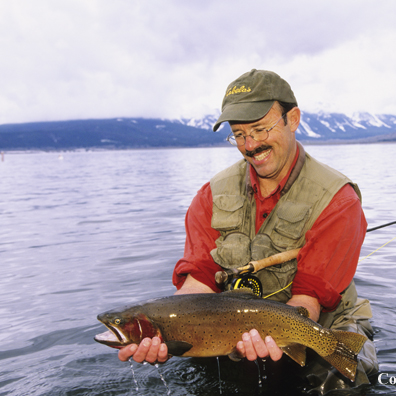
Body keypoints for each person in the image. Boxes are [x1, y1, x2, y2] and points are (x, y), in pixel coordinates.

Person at [117, 69, 378, 391]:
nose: (250, 145)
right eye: (238, 134)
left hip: (323, 321)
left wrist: (281, 338)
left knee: (339, 384)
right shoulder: (210, 194)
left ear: (292, 119)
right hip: (233, 325)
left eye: (260, 129)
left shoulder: (338, 200)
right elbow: (198, 280)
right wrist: (167, 335)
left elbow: (309, 300)